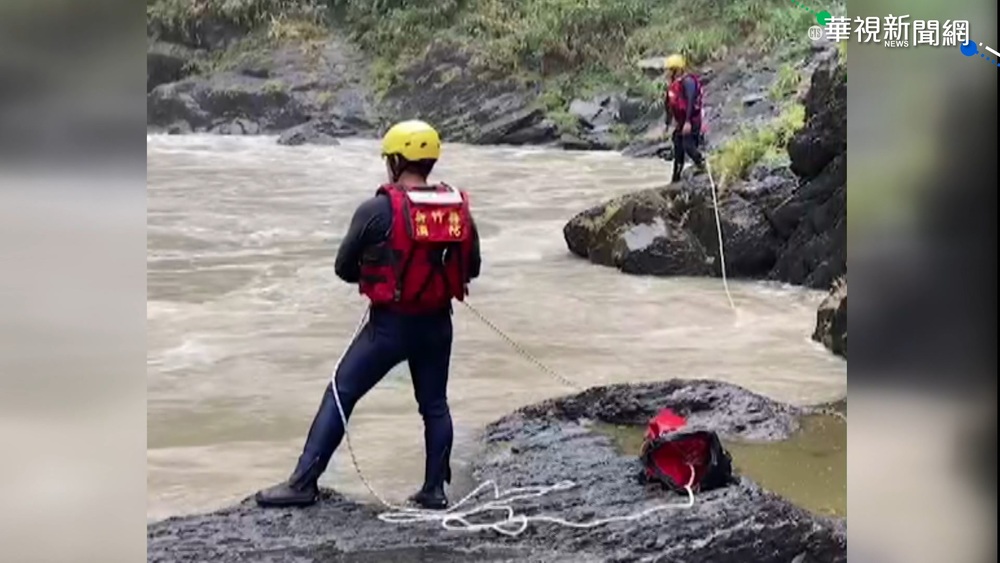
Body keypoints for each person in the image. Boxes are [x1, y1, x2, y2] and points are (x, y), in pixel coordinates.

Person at [255, 120, 482, 510]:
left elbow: (344, 268)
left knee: (341, 392)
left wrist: (381, 275)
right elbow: (472, 268)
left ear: (395, 161)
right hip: (438, 324)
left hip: (389, 326)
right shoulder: (456, 209)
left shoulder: (376, 209)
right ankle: (434, 491)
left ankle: (303, 483)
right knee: (435, 405)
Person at [664, 54, 707, 183]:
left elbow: (690, 100)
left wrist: (688, 122)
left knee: (688, 145)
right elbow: (668, 107)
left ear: (677, 70)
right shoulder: (672, 86)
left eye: (669, 70)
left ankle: (702, 163)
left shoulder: (688, 82)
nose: (666, 73)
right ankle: (675, 179)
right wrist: (667, 125)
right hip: (681, 123)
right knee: (678, 149)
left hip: (692, 121)